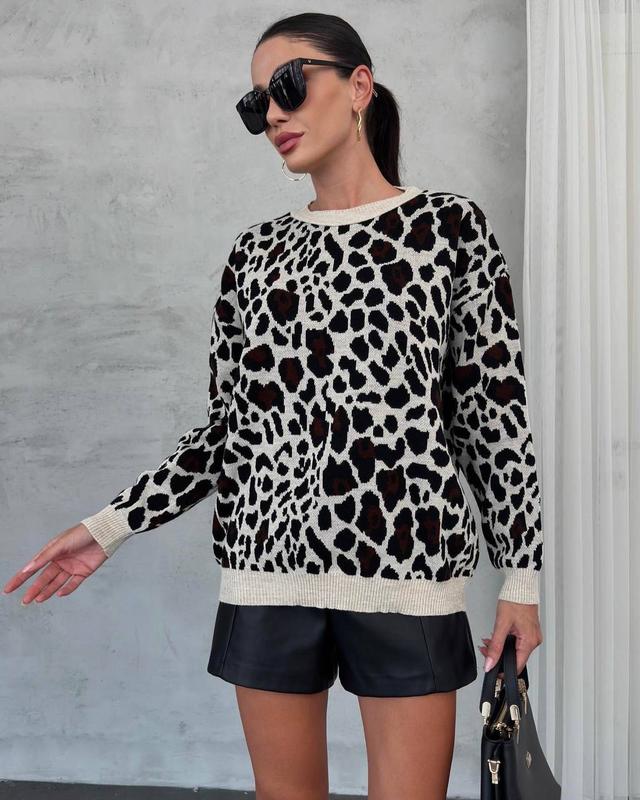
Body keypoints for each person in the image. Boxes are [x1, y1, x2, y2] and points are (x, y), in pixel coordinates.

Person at [3, 12, 544, 800]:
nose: (273, 115)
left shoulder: (447, 229)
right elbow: (228, 432)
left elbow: (491, 415)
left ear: (359, 85)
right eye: (256, 104)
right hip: (265, 576)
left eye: (288, 86)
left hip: (407, 573)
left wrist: (521, 577)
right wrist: (109, 527)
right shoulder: (254, 255)